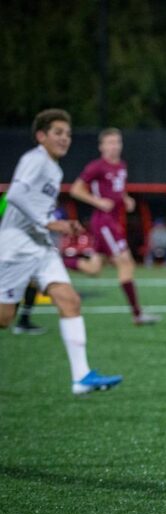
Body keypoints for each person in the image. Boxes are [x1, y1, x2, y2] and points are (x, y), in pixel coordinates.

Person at [0, 109, 122, 394]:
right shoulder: (36, 159)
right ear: (41, 136)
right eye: (58, 132)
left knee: (70, 301)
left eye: (68, 134)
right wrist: (48, 222)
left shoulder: (54, 168)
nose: (65, 138)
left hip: (40, 246)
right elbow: (15, 195)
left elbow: (38, 209)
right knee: (4, 319)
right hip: (16, 247)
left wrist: (61, 225)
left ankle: (81, 377)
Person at [67, 128, 159, 325]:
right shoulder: (96, 167)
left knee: (94, 269)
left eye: (117, 142)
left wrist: (125, 199)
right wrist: (97, 201)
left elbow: (117, 189)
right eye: (109, 142)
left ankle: (58, 262)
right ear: (101, 147)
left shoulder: (121, 166)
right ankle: (137, 314)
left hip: (112, 222)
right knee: (126, 262)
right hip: (103, 222)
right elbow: (75, 189)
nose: (114, 146)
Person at [0, 191, 45, 334]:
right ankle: (19, 320)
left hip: (24, 246)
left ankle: (23, 320)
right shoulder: (13, 195)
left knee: (31, 282)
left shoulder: (37, 195)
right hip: (12, 247)